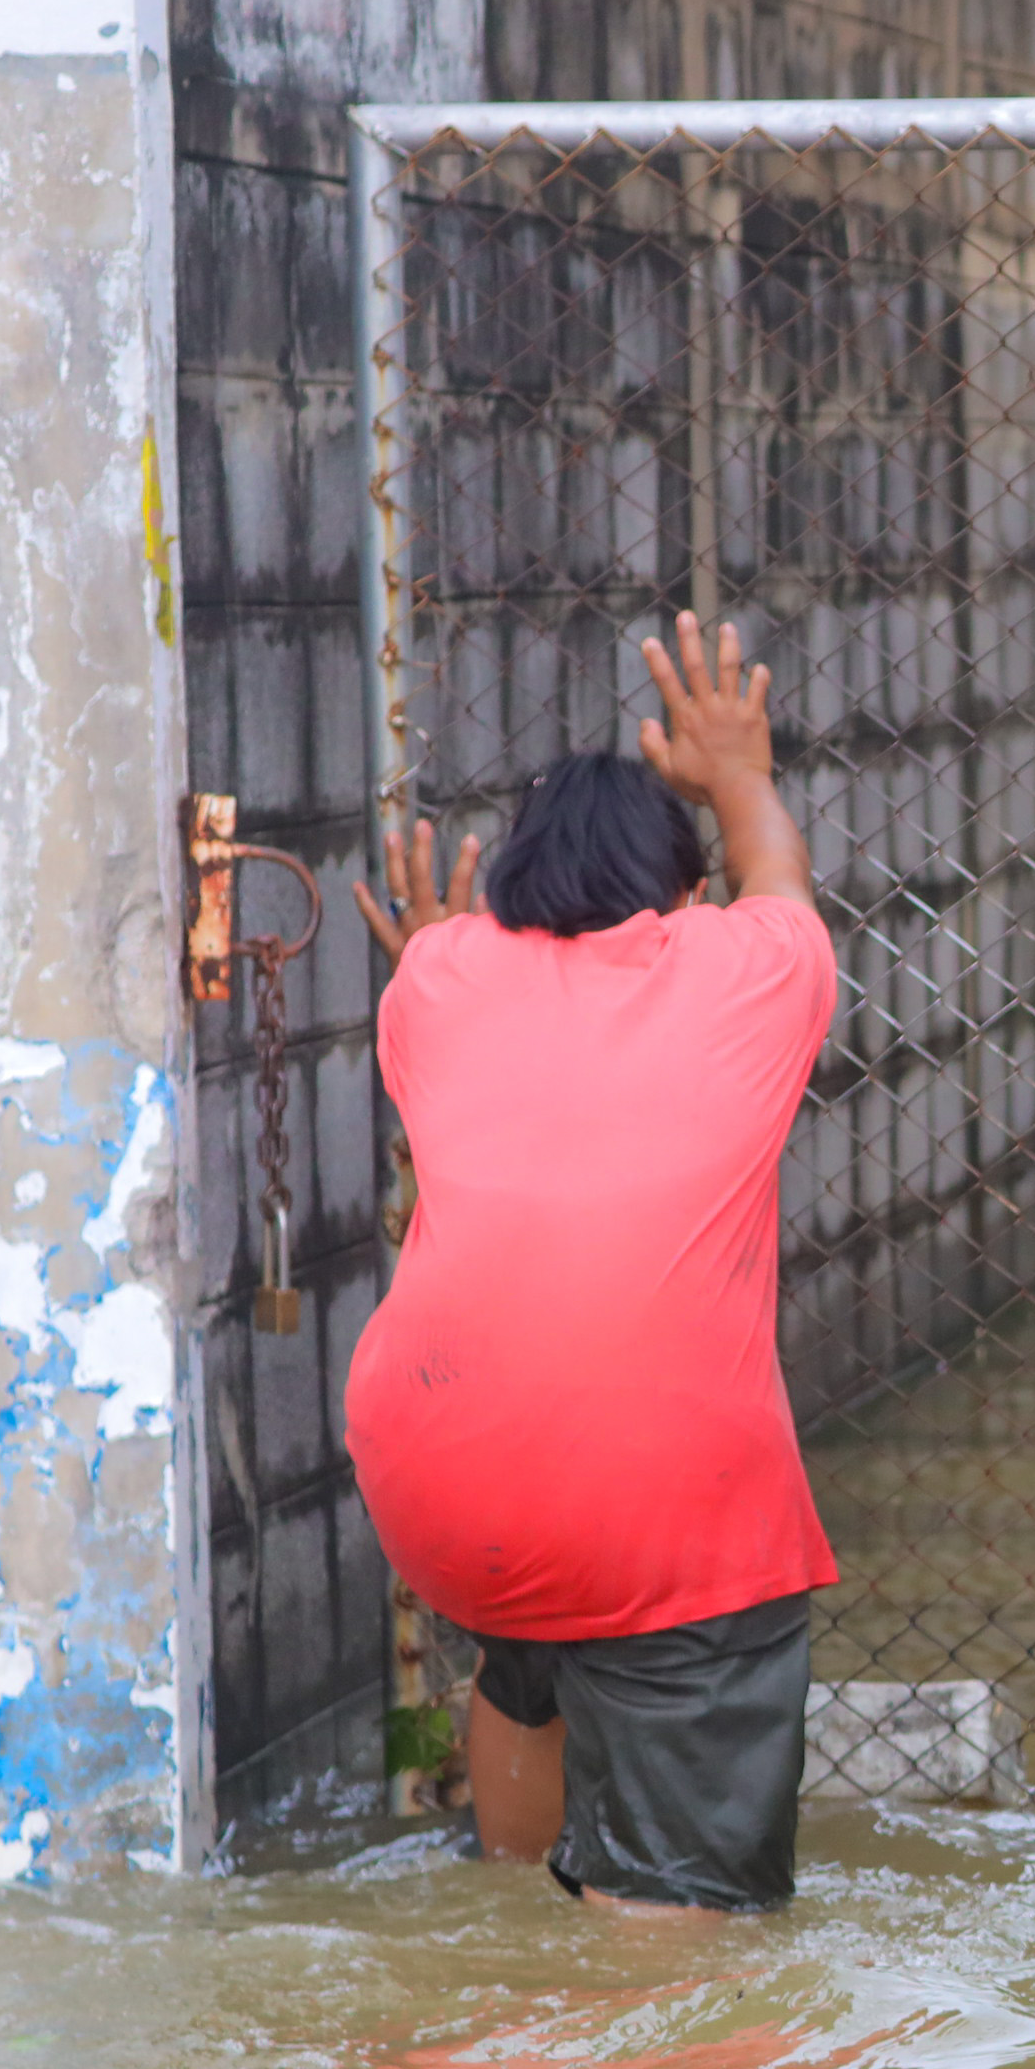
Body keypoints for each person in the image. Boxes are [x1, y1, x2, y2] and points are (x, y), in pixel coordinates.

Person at [347, 614, 836, 1914]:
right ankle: (636, 2024)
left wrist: (445, 950)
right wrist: (737, 769)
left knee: (539, 1633)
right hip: (653, 1506)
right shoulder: (749, 971)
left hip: (443, 1491)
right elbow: (777, 880)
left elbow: (476, 1002)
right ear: (680, 899)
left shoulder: (440, 980)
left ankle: (514, 1900)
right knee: (687, 1935)